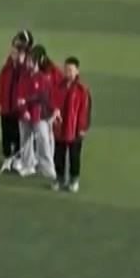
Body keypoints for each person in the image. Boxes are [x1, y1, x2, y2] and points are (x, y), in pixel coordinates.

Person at [50, 57, 92, 194]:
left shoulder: (82, 89)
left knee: (74, 156)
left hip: (75, 129)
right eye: (66, 69)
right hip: (59, 128)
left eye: (71, 70)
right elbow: (52, 102)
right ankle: (59, 178)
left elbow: (85, 110)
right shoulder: (58, 86)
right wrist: (54, 111)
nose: (68, 72)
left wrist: (83, 128)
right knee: (58, 155)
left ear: (77, 71)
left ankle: (74, 180)